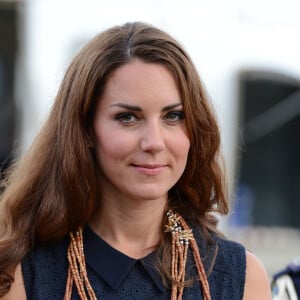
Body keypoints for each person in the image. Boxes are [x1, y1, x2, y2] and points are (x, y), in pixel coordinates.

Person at [0, 22, 271, 300]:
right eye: (128, 117)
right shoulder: (21, 272)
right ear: (86, 129)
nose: (154, 142)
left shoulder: (241, 278)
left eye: (173, 116)